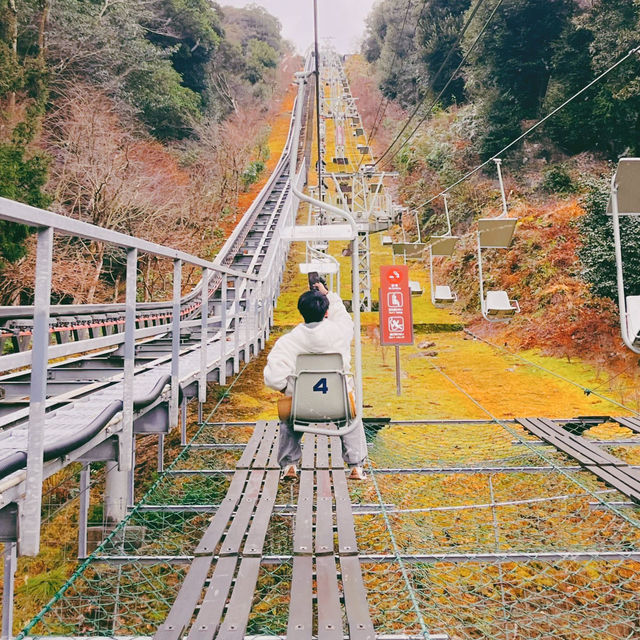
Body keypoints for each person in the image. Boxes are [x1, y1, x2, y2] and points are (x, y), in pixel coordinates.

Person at [263, 280, 367, 480]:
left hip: (303, 407)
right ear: (326, 311)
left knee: (288, 419)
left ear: (301, 311)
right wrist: (328, 294)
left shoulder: (288, 342)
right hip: (338, 405)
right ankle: (356, 466)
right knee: (352, 418)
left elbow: (273, 378)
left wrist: (290, 389)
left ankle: (289, 465)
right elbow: (344, 318)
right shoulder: (340, 333)